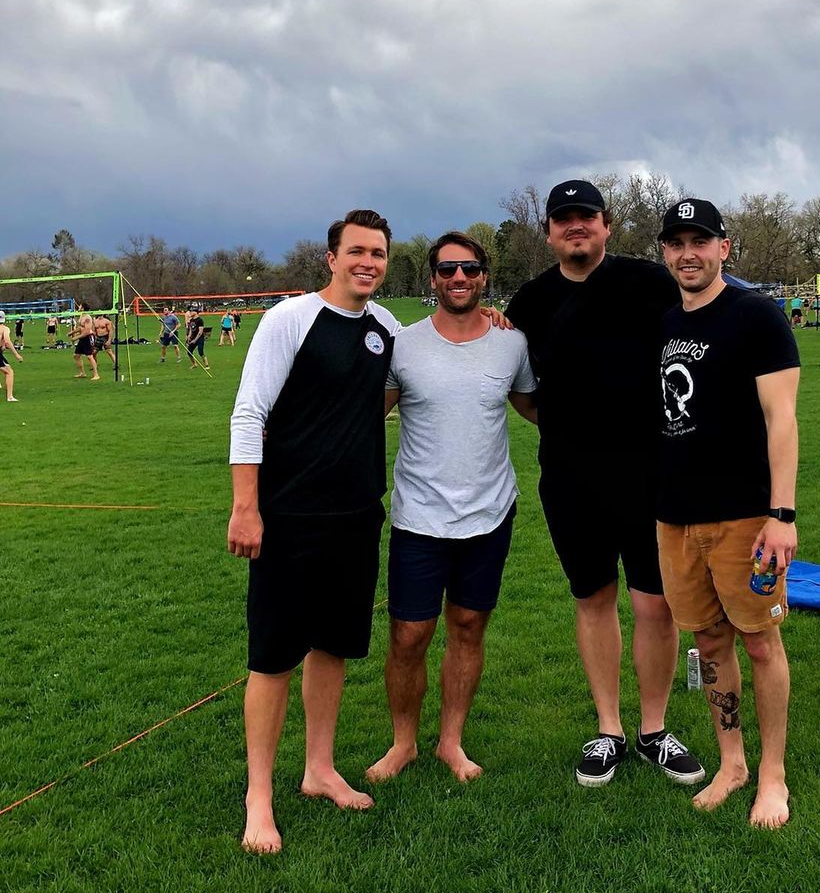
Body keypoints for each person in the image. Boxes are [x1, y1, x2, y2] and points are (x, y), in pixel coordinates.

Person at [506, 180, 704, 788]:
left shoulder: (649, 282)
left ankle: (654, 730)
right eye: (563, 218)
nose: (576, 226)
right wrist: (567, 425)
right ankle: (609, 729)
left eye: (586, 216)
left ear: (606, 223)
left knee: (655, 604)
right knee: (593, 598)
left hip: (651, 474)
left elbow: (705, 329)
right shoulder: (531, 302)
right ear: (548, 232)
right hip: (571, 479)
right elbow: (519, 388)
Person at [227, 208, 401, 855]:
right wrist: (246, 506)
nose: (367, 262)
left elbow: (392, 389)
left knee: (332, 647)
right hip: (288, 518)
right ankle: (259, 796)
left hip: (355, 518)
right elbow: (249, 412)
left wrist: (490, 321)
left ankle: (319, 769)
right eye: (356, 251)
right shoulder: (290, 319)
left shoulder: (387, 329)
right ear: (331, 258)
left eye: (377, 253)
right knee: (273, 655)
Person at [368, 232, 537, 785]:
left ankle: (451, 742)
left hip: (490, 513)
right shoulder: (404, 344)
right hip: (419, 517)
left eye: (469, 268)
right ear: (432, 279)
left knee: (467, 627)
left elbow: (533, 407)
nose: (458, 278)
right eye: (447, 270)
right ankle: (403, 743)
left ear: (484, 276)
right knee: (408, 634)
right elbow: (365, 415)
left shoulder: (511, 343)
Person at [655, 199, 800, 828]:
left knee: (760, 644)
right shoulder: (665, 323)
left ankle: (773, 776)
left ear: (724, 248)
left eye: (700, 241)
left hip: (745, 518)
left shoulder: (756, 315)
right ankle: (732, 762)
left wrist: (782, 514)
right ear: (665, 252)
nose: (688, 254)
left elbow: (782, 418)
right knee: (710, 643)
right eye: (676, 243)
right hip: (676, 517)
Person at [0, 312, 22, 401]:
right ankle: (10, 396)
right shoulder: (5, 329)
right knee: (9, 372)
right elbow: (7, 341)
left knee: (6, 367)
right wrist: (16, 354)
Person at [70, 314, 100, 380]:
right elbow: (81, 328)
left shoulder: (87, 318)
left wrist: (76, 338)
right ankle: (82, 373)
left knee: (90, 356)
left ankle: (96, 375)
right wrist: (73, 332)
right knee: (76, 356)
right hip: (82, 338)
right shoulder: (82, 316)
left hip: (88, 337)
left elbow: (87, 332)